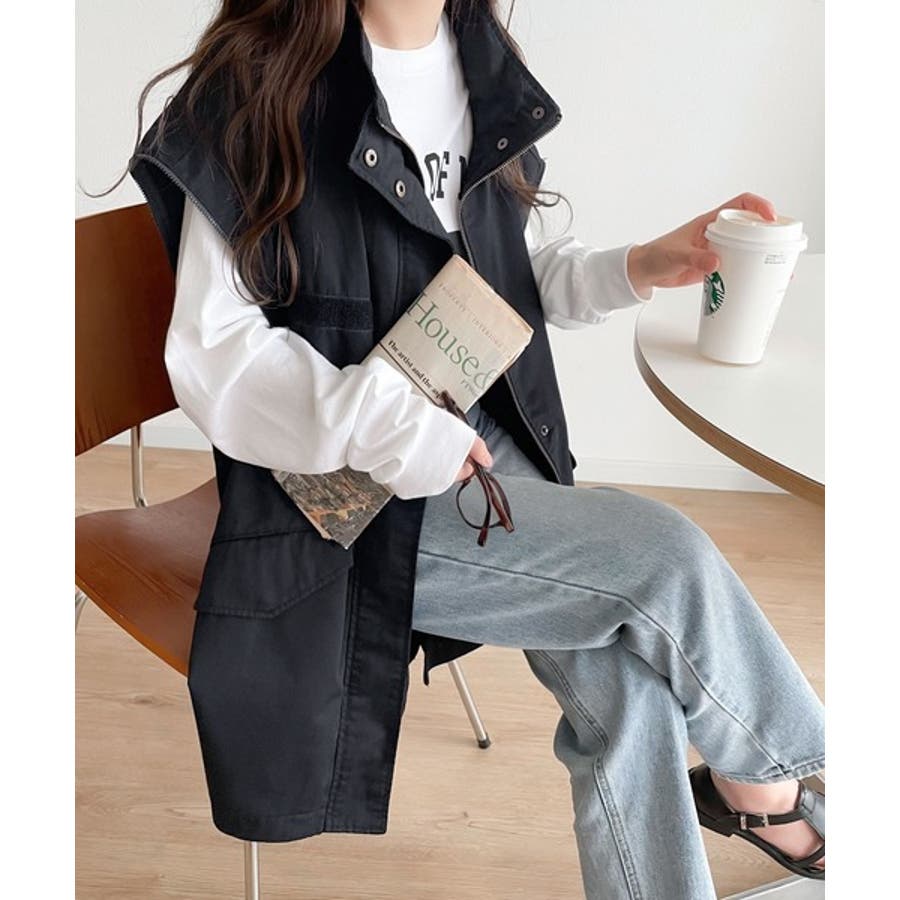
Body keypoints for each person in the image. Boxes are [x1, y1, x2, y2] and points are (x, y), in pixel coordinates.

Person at [125, 1, 825, 897]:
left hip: (481, 453)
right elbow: (216, 360)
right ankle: (787, 787)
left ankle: (750, 806)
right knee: (667, 559)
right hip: (343, 505)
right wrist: (394, 426)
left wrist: (637, 266)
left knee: (629, 683)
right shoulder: (254, 89)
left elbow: (502, 278)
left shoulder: (475, 60)